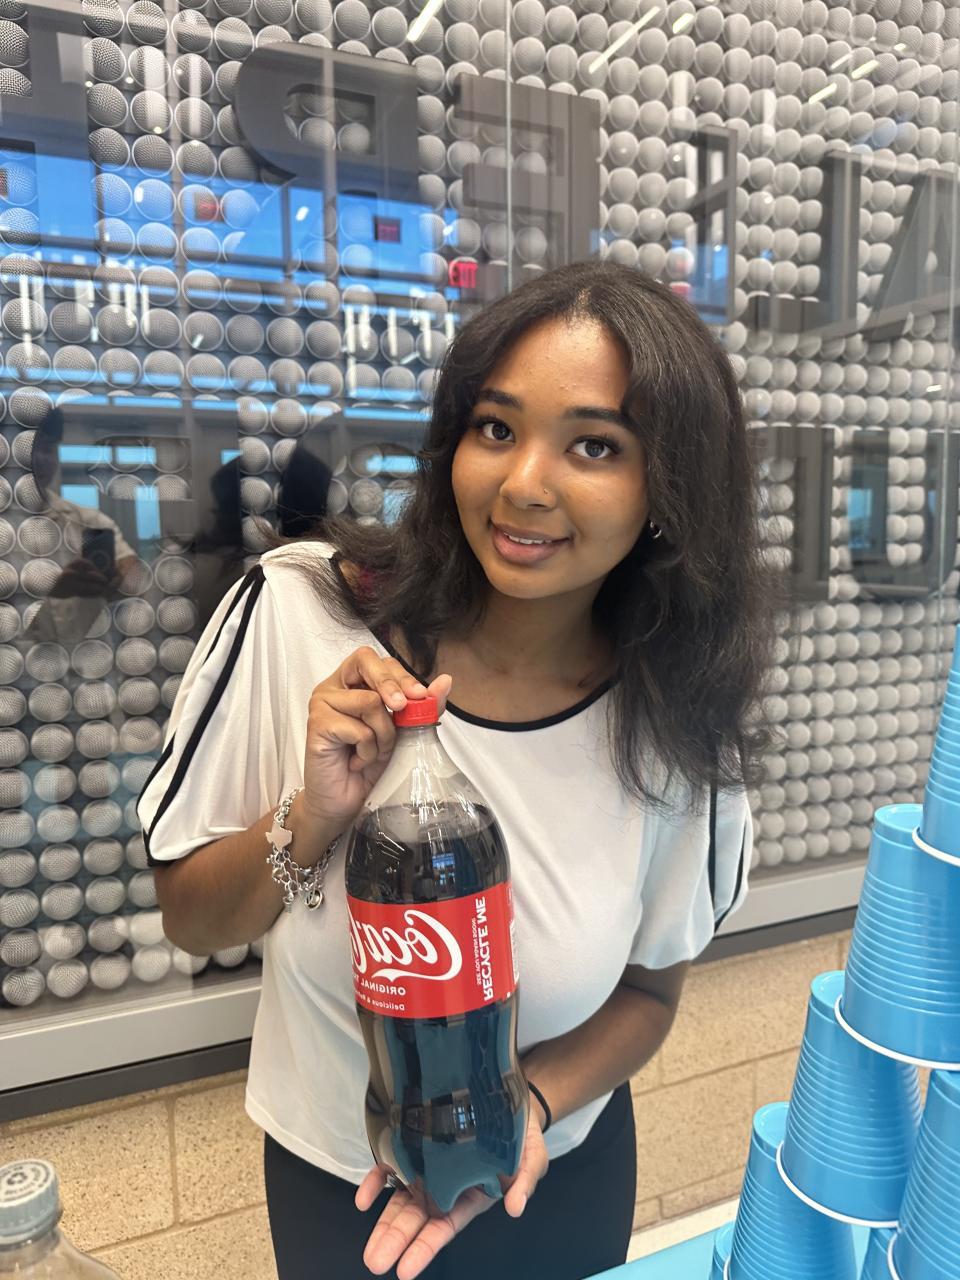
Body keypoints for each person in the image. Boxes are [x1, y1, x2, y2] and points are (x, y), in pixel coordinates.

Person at [136, 261, 775, 1280]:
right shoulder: (301, 613)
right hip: (342, 1186)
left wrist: (532, 1104)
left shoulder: (674, 711)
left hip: (556, 1176)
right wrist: (313, 816)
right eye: (496, 427)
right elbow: (192, 919)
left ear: (668, 488)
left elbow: (650, 994)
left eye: (595, 445)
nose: (525, 484)